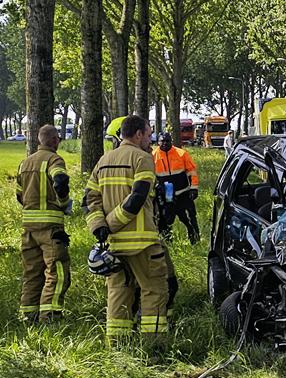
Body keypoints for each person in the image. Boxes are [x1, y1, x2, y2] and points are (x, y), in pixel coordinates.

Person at [86, 115, 169, 340]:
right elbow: (138, 197)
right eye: (149, 134)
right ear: (138, 134)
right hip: (142, 243)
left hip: (112, 246)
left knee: (118, 293)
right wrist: (111, 223)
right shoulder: (142, 158)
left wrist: (99, 226)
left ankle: (117, 345)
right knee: (154, 290)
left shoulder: (103, 161)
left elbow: (90, 199)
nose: (150, 140)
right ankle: (153, 345)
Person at [16, 125, 72, 323]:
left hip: (28, 228)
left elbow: (19, 195)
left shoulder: (25, 163)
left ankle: (28, 315)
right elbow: (60, 179)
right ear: (55, 140)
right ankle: (50, 315)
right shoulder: (54, 159)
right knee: (57, 272)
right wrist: (64, 203)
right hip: (50, 227)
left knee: (32, 271)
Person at [152, 132, 200, 244]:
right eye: (162, 141)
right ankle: (167, 242)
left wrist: (194, 188)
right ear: (158, 142)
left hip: (183, 193)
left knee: (190, 217)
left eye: (167, 141)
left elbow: (192, 171)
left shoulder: (182, 154)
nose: (164, 143)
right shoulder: (152, 155)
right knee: (163, 219)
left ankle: (195, 239)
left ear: (171, 141)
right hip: (165, 196)